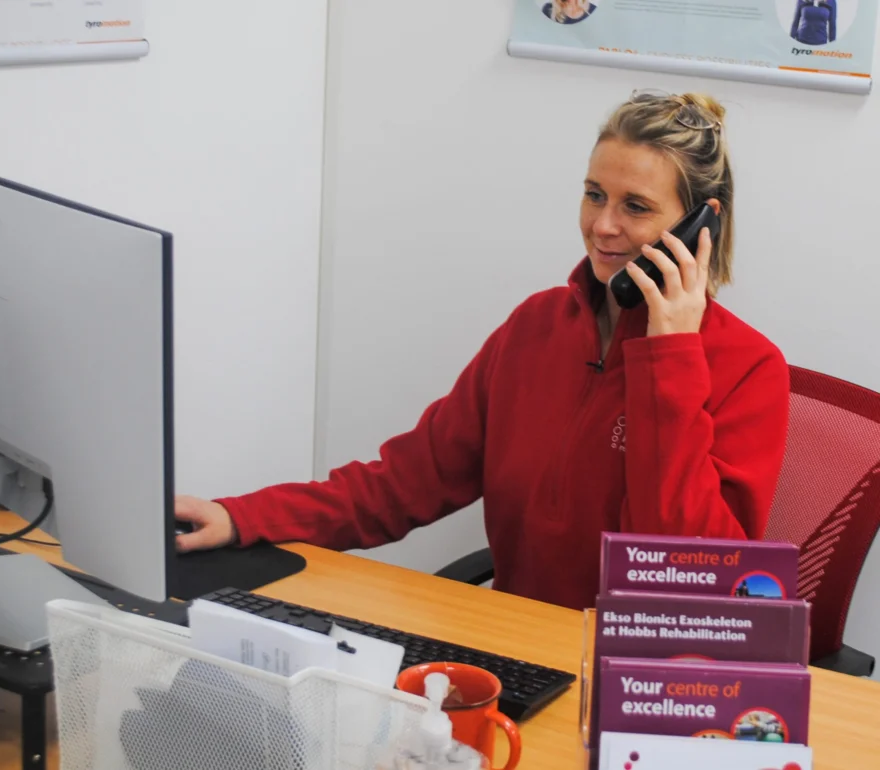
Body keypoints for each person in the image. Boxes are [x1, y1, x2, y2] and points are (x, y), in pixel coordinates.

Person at [175, 89, 790, 612]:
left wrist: (671, 357)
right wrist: (244, 518)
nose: (603, 225)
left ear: (700, 226)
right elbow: (404, 484)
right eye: (594, 194)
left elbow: (693, 577)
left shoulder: (748, 369)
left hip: (648, 679)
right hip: (520, 644)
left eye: (636, 207)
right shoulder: (537, 327)